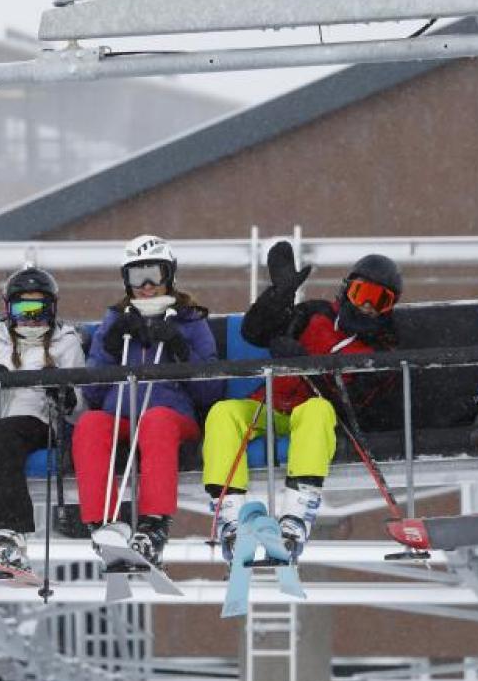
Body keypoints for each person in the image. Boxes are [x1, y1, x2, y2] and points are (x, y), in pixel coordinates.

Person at [202, 241, 402, 562]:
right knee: (224, 413)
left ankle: (295, 518)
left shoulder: (381, 351)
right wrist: (280, 295)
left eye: (378, 301)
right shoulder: (316, 313)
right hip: (270, 404)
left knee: (317, 411)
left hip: (316, 417)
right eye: (360, 293)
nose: (366, 306)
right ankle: (231, 518)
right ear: (346, 289)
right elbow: (255, 332)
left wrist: (308, 363)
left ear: (388, 308)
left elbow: (360, 405)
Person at [74, 235, 224, 566]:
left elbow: (210, 393)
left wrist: (181, 349)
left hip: (171, 416)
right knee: (90, 424)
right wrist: (110, 349)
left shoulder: (190, 321)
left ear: (169, 274)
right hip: (121, 414)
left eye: (153, 274)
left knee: (155, 420)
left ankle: (153, 524)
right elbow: (93, 393)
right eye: (135, 276)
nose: (145, 286)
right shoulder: (115, 321)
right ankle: (103, 525)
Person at [0, 267, 83, 571]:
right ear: (9, 308)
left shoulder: (66, 342)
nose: (32, 317)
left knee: (6, 433)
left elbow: (80, 408)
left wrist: (61, 392)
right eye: (24, 308)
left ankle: (12, 531)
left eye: (40, 308)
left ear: (52, 308)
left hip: (36, 419)